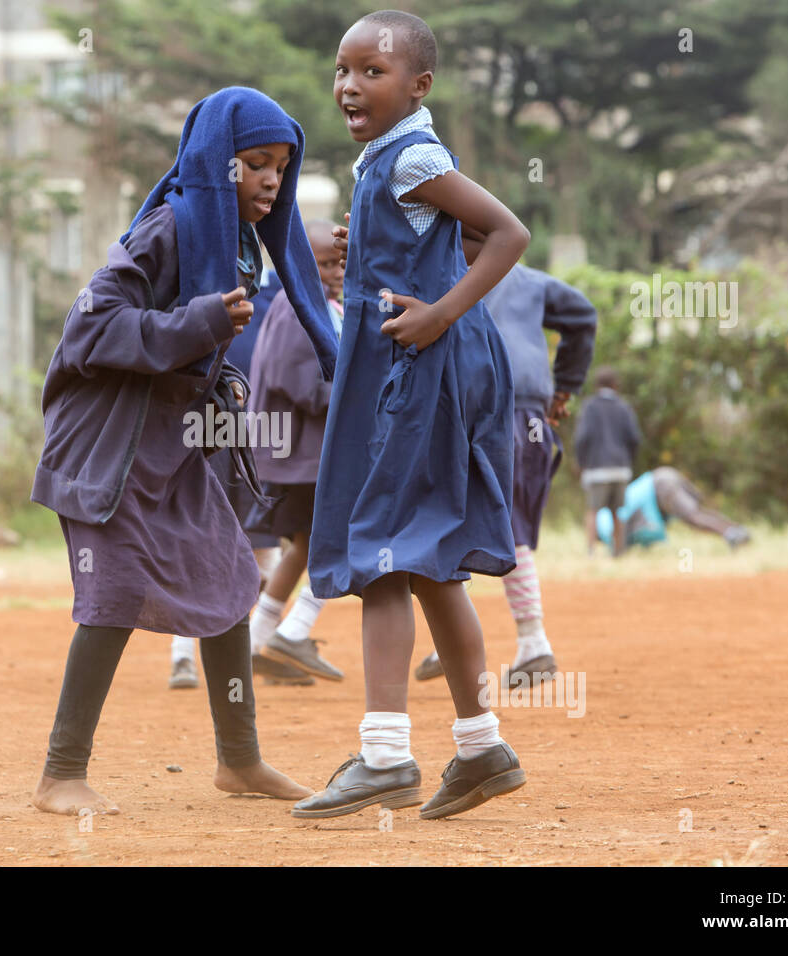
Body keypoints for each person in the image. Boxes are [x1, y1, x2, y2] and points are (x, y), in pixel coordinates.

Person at [30, 87, 339, 816]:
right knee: (111, 596)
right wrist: (197, 321)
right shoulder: (171, 227)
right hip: (114, 441)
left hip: (178, 441)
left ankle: (240, 761)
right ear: (217, 163)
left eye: (280, 167)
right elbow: (90, 329)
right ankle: (60, 774)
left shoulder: (237, 242)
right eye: (254, 163)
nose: (269, 180)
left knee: (231, 583)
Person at [292, 10, 531, 822]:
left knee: (383, 552)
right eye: (343, 70)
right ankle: (481, 748)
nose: (349, 86)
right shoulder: (384, 162)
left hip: (418, 369)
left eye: (372, 72)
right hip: (407, 367)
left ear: (418, 87)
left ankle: (386, 754)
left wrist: (439, 315)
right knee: (427, 560)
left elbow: (507, 232)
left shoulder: (412, 157)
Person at [415, 264, 596, 688]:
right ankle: (516, 641)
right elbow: (582, 314)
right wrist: (565, 384)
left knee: (442, 518)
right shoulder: (525, 277)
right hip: (526, 411)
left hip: (466, 406)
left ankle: (528, 643)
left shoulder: (437, 265)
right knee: (500, 522)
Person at [168, 265, 303, 689]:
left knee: (265, 542)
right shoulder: (202, 283)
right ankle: (183, 655)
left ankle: (256, 646)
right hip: (209, 423)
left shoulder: (288, 289)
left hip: (264, 430)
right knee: (199, 536)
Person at [244, 220, 347, 683]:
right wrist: (358, 399)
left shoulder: (321, 305)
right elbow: (297, 379)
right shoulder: (297, 306)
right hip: (303, 453)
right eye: (325, 263)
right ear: (300, 265)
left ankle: (255, 640)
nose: (336, 272)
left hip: (306, 452)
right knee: (345, 539)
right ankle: (294, 628)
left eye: (342, 262)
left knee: (306, 545)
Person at [596, 466, 752, 551]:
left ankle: (732, 533)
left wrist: (616, 553)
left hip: (660, 485)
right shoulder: (604, 515)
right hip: (663, 477)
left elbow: (621, 539)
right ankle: (735, 530)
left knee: (693, 517)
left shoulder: (604, 526)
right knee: (696, 513)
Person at [573, 366, 642, 556]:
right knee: (617, 511)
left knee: (593, 510)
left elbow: (582, 438)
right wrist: (628, 460)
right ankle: (619, 550)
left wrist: (581, 462)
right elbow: (635, 438)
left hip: (597, 468)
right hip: (620, 468)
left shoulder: (590, 406)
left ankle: (591, 551)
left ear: (596, 385)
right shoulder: (623, 406)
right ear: (615, 385)